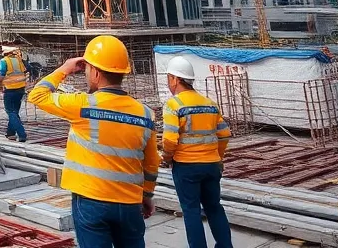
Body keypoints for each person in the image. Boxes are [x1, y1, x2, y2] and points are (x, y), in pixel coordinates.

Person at [28, 35, 159, 248]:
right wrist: (147, 195)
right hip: (129, 202)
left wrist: (65, 68)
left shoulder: (82, 105)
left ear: (96, 73)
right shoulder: (146, 114)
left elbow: (37, 95)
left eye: (88, 69)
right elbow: (152, 162)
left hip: (91, 201)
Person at [161, 56, 232, 248]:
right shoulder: (209, 103)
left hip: (186, 167)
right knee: (214, 207)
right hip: (211, 166)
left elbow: (169, 139)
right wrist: (218, 157)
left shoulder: (173, 105)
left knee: (191, 211)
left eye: (169, 78)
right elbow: (225, 134)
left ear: (175, 79)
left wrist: (166, 158)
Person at [0, 45, 29, 143]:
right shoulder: (18, 60)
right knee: (14, 112)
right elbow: (25, 72)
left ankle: (22, 134)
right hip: (20, 88)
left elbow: (1, 75)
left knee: (11, 112)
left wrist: (0, 85)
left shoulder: (4, 61)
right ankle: (10, 133)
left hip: (10, 89)